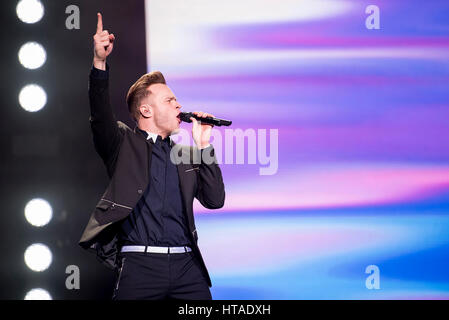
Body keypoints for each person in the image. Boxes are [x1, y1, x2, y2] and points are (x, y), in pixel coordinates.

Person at [79, 13, 225, 300]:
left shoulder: (184, 154)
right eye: (170, 100)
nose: (179, 105)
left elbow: (215, 199)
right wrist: (99, 63)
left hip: (187, 266)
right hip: (141, 266)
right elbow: (99, 115)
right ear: (146, 110)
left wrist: (204, 146)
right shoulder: (123, 142)